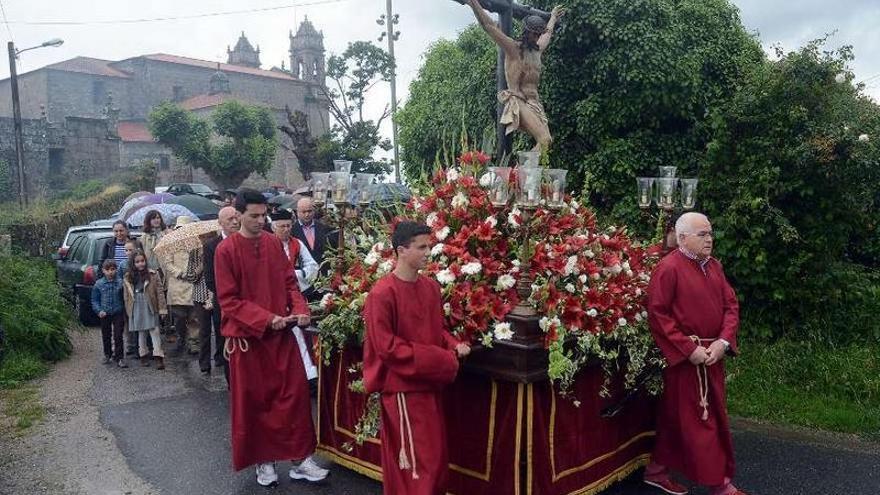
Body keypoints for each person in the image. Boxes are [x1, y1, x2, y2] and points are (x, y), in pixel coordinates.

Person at [214, 189, 328, 487]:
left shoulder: (272, 243)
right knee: (256, 403)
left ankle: (301, 459)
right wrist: (266, 319)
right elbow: (229, 301)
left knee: (295, 398)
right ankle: (263, 463)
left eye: (263, 214)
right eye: (254, 215)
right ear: (237, 215)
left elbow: (290, 283)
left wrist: (301, 309)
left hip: (283, 337)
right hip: (249, 341)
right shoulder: (225, 251)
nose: (261, 220)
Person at [363, 221, 471, 495]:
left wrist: (454, 344)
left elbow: (437, 330)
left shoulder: (431, 287)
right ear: (401, 250)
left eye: (429, 245)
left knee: (434, 461)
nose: (428, 251)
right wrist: (442, 360)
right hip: (403, 391)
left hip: (428, 385)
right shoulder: (381, 293)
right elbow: (387, 348)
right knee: (417, 465)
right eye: (421, 247)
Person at [644, 212, 746, 495]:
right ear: (682, 238)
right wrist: (690, 350)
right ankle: (720, 485)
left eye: (710, 233)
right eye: (702, 234)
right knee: (702, 422)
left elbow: (731, 307)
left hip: (712, 357)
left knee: (683, 418)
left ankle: (656, 470)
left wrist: (722, 343)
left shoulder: (715, 266)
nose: (709, 239)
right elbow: (658, 315)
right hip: (687, 361)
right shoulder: (668, 268)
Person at [465, 0, 563, 153]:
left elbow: (548, 32)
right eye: (534, 33)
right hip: (518, 99)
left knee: (547, 141)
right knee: (544, 139)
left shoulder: (538, 50)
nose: (537, 37)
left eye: (539, 34)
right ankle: (524, 174)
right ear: (526, 31)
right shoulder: (513, 49)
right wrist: (474, 3)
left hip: (534, 103)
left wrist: (553, 17)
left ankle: (524, 172)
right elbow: (489, 26)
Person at [271, 209, 320, 393]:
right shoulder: (267, 244)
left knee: (302, 336)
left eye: (288, 226)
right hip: (274, 297)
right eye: (281, 226)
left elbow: (312, 266)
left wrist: (296, 274)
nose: (286, 230)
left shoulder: (297, 243)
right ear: (273, 227)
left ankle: (309, 376)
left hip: (295, 295)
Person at [203, 206, 240, 386]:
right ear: (220, 224)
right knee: (226, 344)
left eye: (236, 218)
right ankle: (232, 383)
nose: (234, 222)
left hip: (248, 303)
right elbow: (210, 279)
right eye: (229, 219)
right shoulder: (211, 246)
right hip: (224, 305)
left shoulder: (246, 240)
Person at [123, 250, 168, 370]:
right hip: (136, 304)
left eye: (142, 261)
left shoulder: (153, 274)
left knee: (155, 331)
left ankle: (158, 356)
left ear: (146, 261)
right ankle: (143, 355)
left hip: (150, 304)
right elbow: (126, 295)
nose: (140, 264)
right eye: (137, 262)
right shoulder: (128, 277)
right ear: (133, 263)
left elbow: (159, 292)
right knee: (141, 332)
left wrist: (162, 308)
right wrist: (129, 310)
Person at [162, 216, 200, 354]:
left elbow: (201, 261)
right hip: (177, 286)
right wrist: (180, 273)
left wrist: (195, 272)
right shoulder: (171, 243)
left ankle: (194, 343)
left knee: (194, 317)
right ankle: (181, 340)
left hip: (193, 285)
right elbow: (168, 263)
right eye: (180, 228)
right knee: (179, 318)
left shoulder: (197, 244)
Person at [292, 196, 333, 302]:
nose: (307, 214)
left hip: (324, 280)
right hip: (303, 282)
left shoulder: (325, 228)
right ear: (297, 212)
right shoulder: (291, 231)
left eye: (309, 211)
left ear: (314, 211)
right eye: (303, 212)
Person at [91, 259, 127, 368]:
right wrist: (99, 310)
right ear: (103, 270)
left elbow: (125, 298)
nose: (110, 272)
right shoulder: (99, 284)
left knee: (118, 335)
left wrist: (125, 310)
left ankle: (119, 357)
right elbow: (95, 300)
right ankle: (107, 354)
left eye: (112, 269)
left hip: (118, 311)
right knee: (106, 334)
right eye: (107, 270)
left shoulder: (121, 283)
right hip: (105, 313)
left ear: (116, 270)